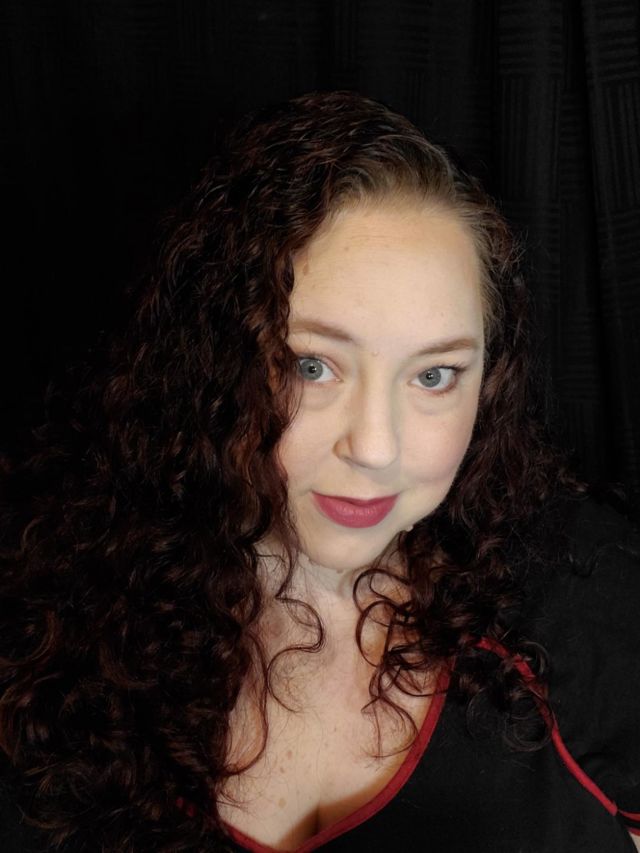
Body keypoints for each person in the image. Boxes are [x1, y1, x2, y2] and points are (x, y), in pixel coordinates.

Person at [0, 91, 639, 853]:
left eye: (434, 375)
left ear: (489, 382)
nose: (375, 446)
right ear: (210, 360)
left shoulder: (589, 603)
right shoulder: (43, 644)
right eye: (312, 365)